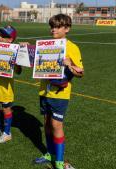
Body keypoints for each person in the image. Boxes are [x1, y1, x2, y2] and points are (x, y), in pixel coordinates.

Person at [34, 14, 84, 169]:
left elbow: (80, 72)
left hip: (60, 94)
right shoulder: (46, 45)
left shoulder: (72, 47)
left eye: (57, 27)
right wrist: (26, 51)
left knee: (56, 125)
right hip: (44, 90)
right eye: (52, 26)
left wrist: (70, 64)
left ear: (67, 29)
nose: (53, 30)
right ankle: (50, 153)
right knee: (47, 123)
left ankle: (60, 162)